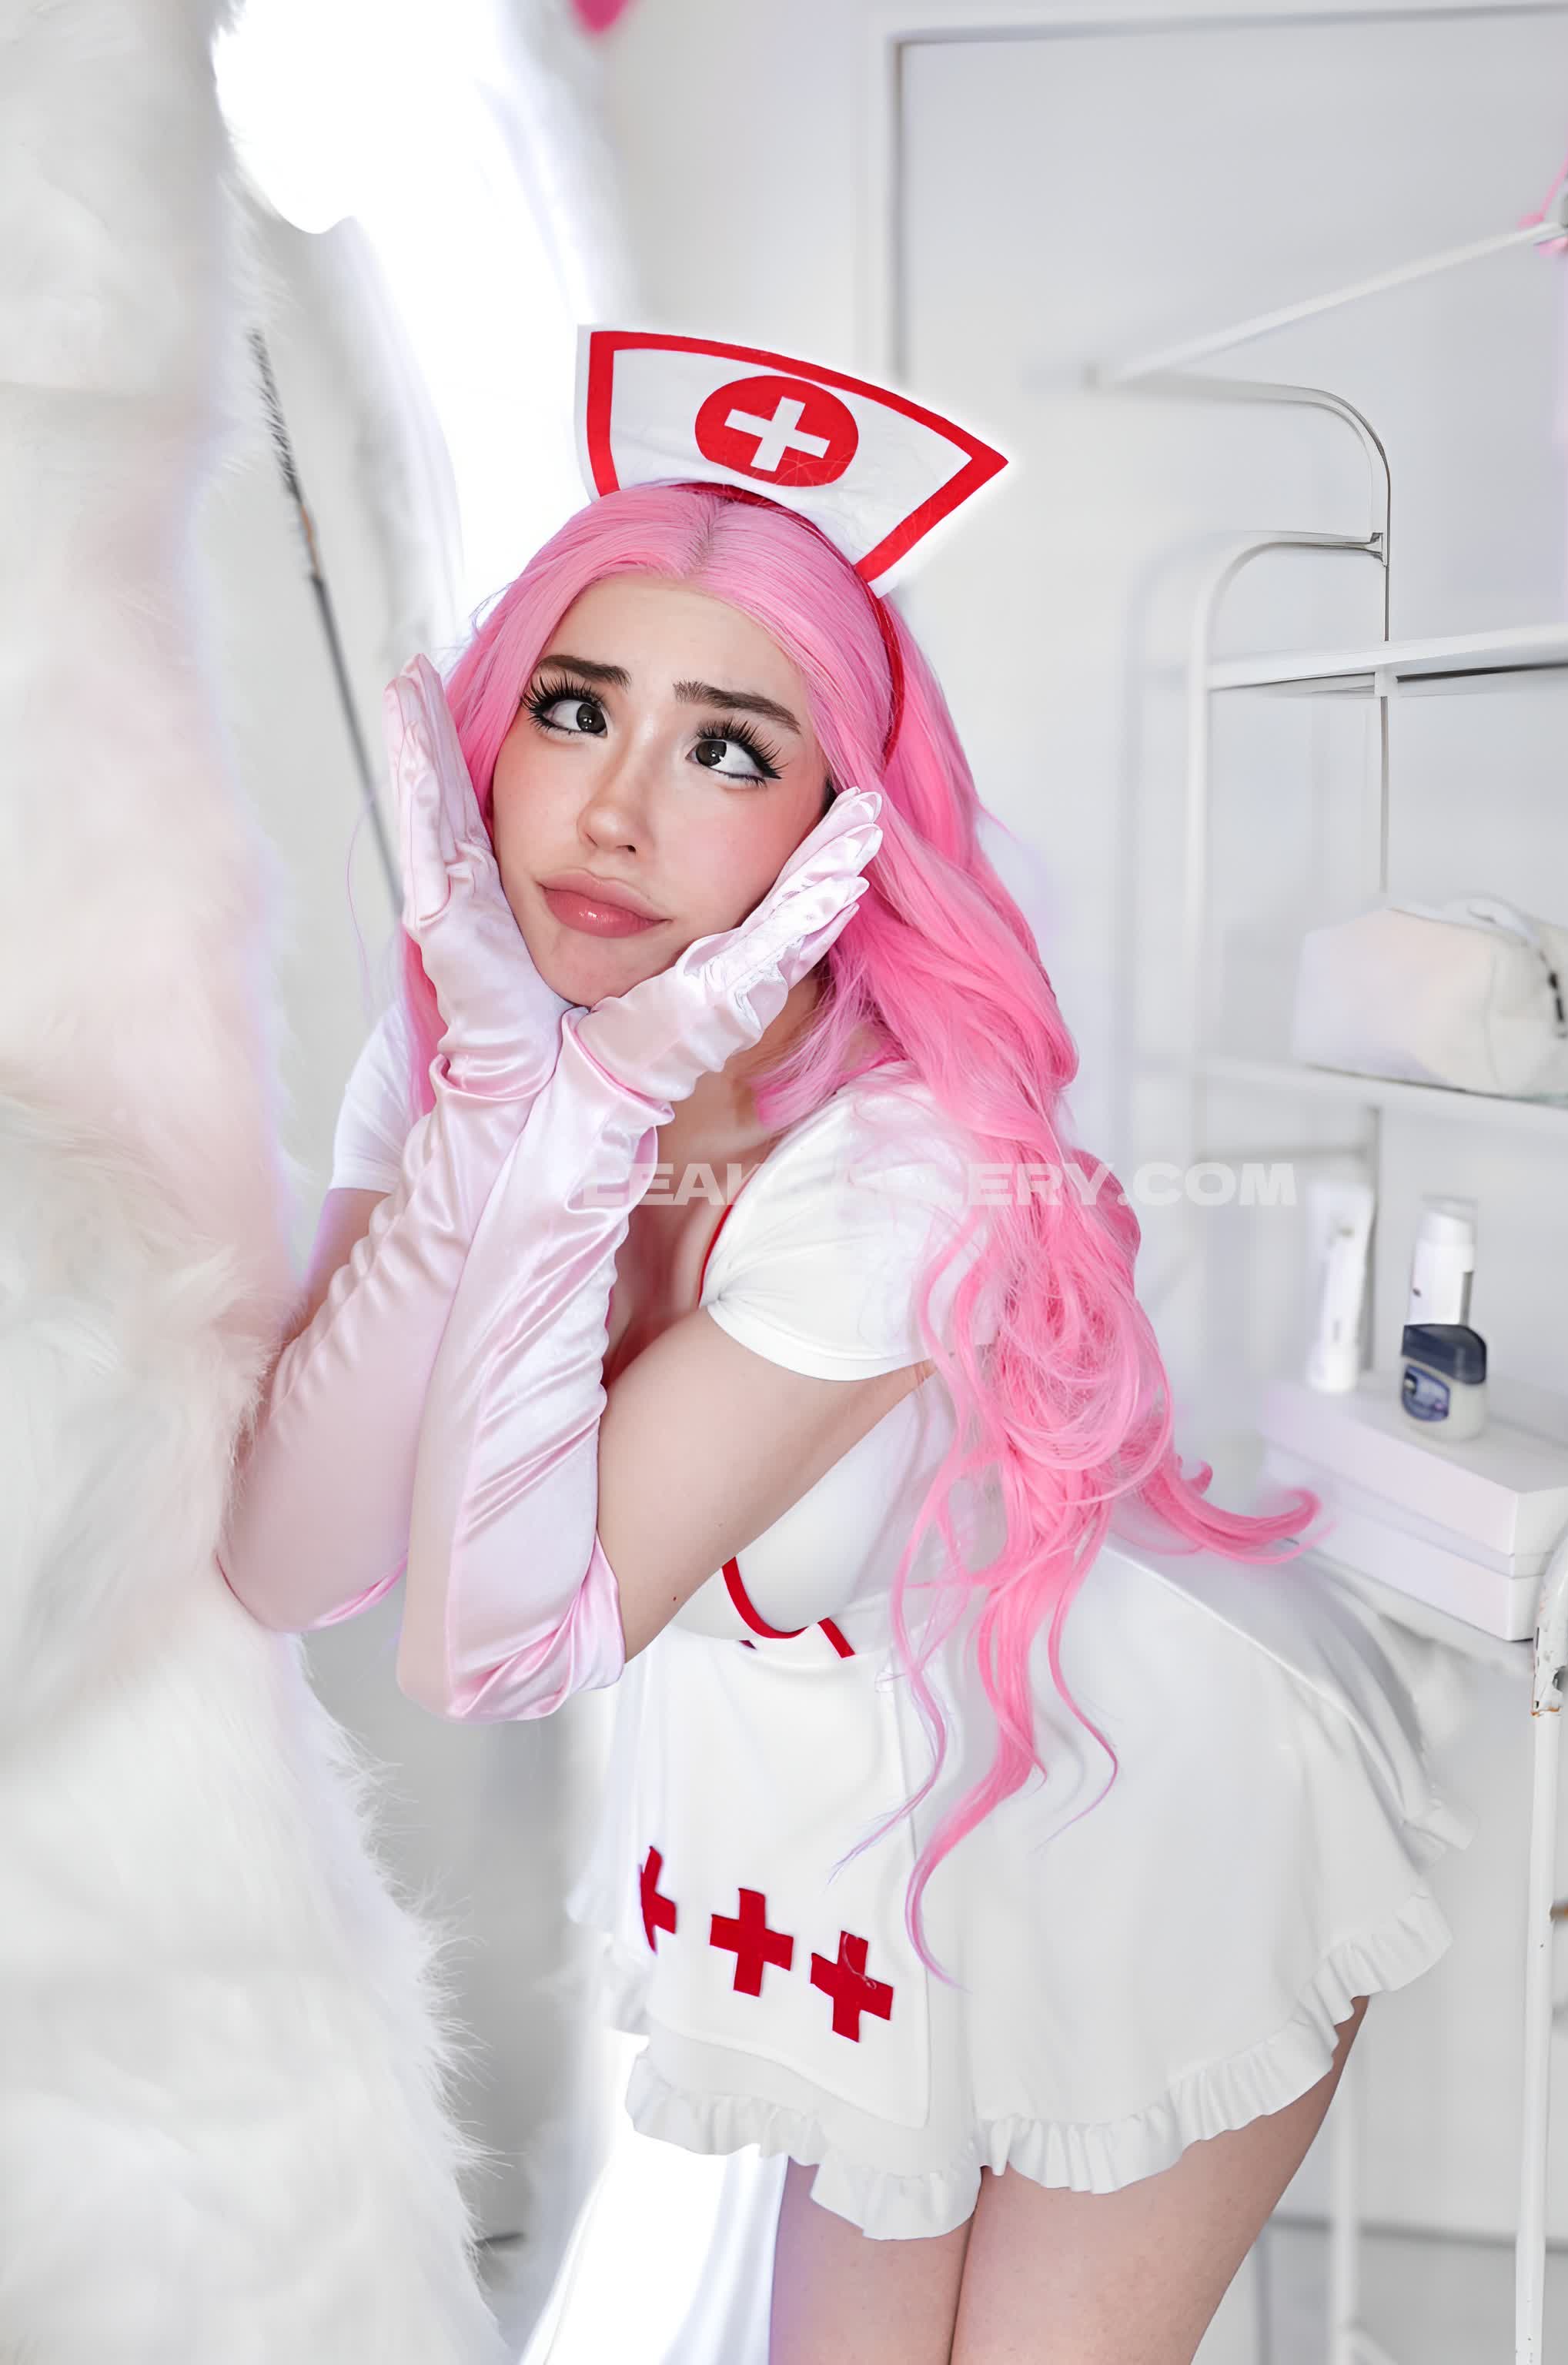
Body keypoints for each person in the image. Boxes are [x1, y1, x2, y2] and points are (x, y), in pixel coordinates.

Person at [217, 337, 1472, 2365]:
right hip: (856, 1823)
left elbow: (494, 1652)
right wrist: (499, 1116)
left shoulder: (901, 1165)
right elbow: (294, 1558)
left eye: (727, 749)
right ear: (485, 738)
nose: (613, 810)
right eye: (572, 708)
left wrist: (586, 1124)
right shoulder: (464, 1058)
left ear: (836, 830)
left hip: (1129, 1799)